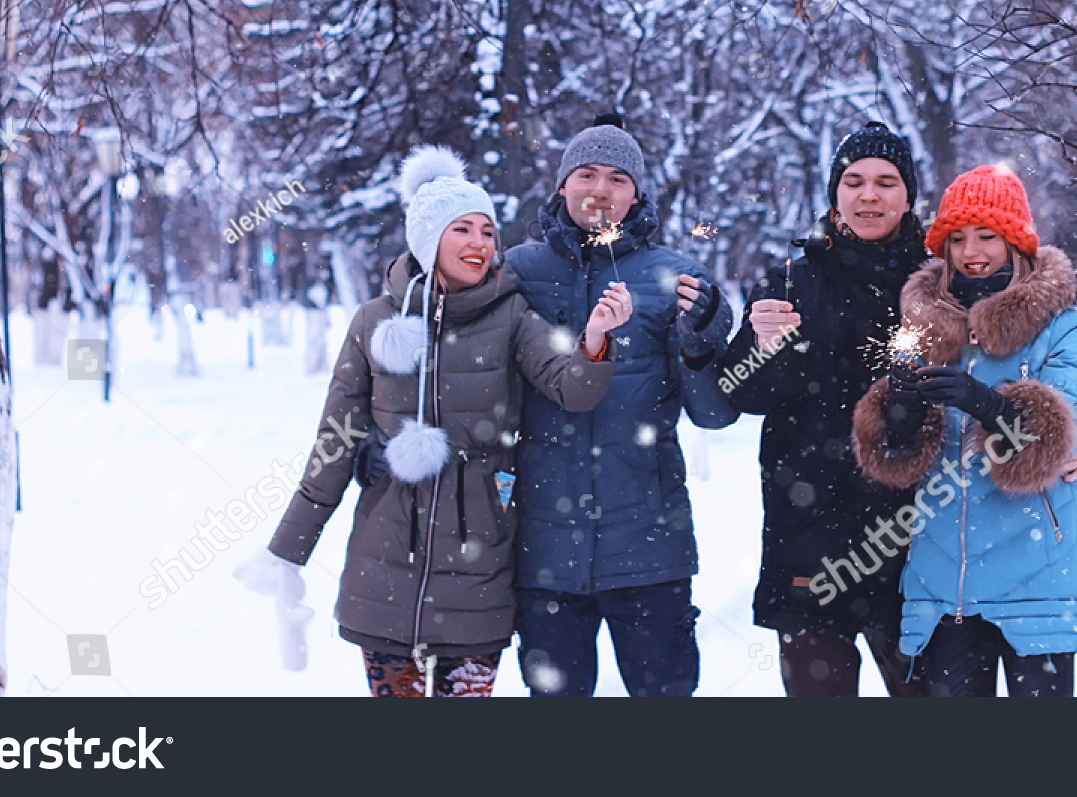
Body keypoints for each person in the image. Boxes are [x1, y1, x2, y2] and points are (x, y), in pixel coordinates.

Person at [235, 145, 631, 696]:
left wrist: (594, 343)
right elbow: (336, 441)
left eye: (488, 231)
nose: (479, 244)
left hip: (480, 557)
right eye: (462, 229)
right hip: (386, 557)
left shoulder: (513, 315)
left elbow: (573, 390)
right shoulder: (374, 320)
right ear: (427, 238)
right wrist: (288, 551)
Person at [505, 113, 736, 697]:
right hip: (545, 551)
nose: (601, 190)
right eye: (586, 174)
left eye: (618, 178)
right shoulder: (518, 271)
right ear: (562, 185)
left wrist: (702, 338)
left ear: (637, 195)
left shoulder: (676, 278)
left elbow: (714, 413)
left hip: (650, 549)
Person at [852, 163, 1077, 697]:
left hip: (1038, 576)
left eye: (987, 235)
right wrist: (898, 407)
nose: (971, 251)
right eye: (957, 238)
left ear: (1015, 242)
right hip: (945, 585)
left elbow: (1060, 433)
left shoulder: (1063, 328)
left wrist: (988, 403)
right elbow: (894, 456)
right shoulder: (922, 331)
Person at [715, 122, 934, 696]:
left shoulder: (939, 282)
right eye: (854, 180)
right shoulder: (790, 279)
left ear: (909, 195)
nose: (869, 195)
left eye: (886, 182)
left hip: (915, 544)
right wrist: (757, 347)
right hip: (810, 540)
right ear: (834, 192)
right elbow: (743, 396)